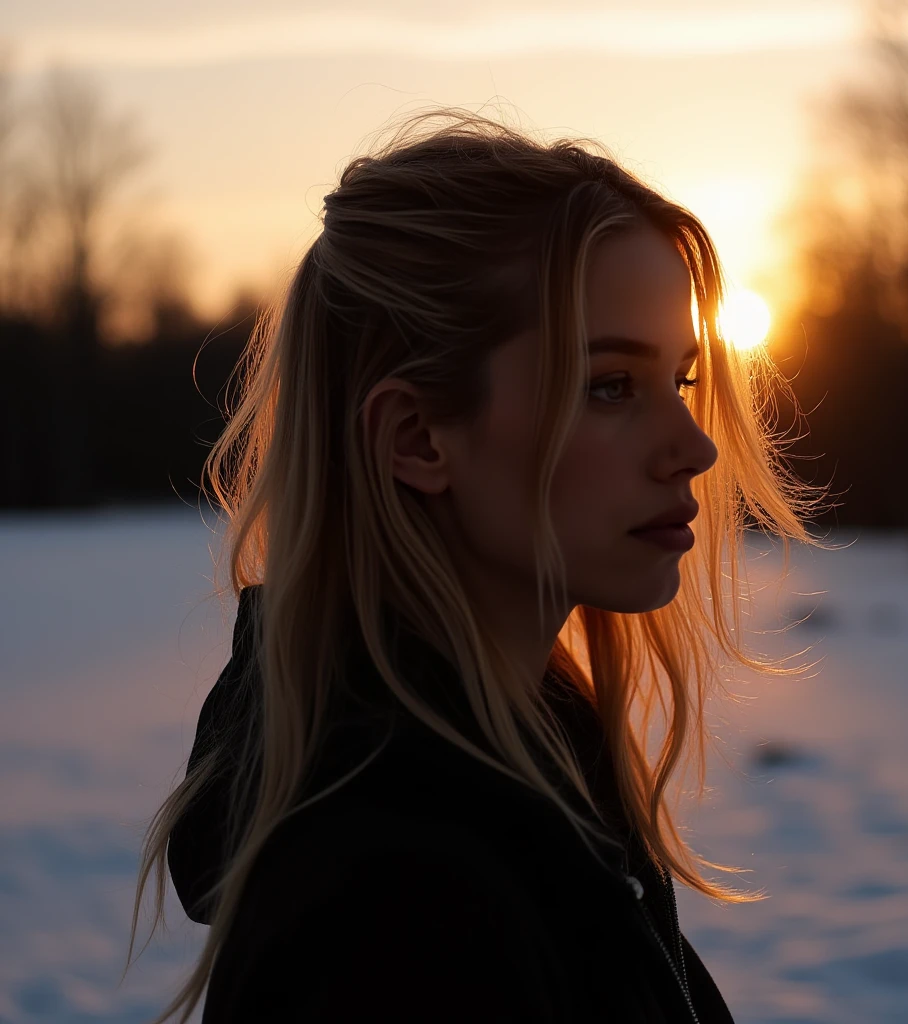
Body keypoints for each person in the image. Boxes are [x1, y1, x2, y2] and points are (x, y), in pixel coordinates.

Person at [126, 108, 827, 1023]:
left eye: (684, 379)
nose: (693, 447)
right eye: (610, 386)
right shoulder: (395, 914)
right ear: (417, 438)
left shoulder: (527, 785)